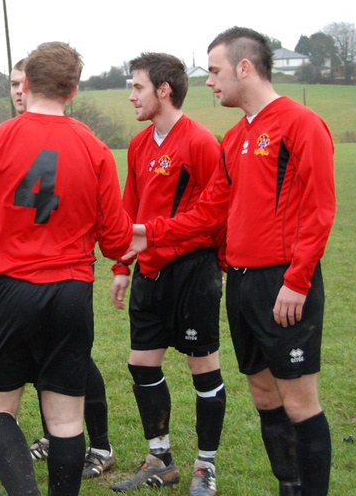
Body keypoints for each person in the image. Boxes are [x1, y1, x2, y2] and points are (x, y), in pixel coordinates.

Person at [129, 27, 335, 496]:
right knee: (264, 396)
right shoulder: (237, 136)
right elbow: (209, 212)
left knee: (300, 403)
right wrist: (148, 232)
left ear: (245, 68)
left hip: (284, 284)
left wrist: (298, 281)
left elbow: (321, 210)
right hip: (241, 285)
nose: (209, 82)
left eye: (216, 71)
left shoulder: (300, 123)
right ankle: (289, 484)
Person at [0, 42, 133, 496]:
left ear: (26, 83)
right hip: (71, 291)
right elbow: (116, 239)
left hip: (10, 287)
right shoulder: (94, 148)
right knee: (67, 417)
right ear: (73, 90)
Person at [109, 53, 225, 495]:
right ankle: (160, 459)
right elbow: (129, 209)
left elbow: (216, 214)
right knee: (141, 363)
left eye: (137, 87)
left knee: (203, 366)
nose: (131, 95)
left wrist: (221, 264)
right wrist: (122, 264)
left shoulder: (199, 141)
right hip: (149, 272)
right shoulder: (139, 145)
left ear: (164, 90)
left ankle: (205, 466)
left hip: (193, 270)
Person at [11, 58, 119, 480]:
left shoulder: (79, 143)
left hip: (60, 277)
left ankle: (101, 443)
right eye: (13, 84)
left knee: (76, 365)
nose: (18, 91)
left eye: (23, 83)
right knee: (43, 364)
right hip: (38, 281)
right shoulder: (12, 139)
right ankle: (56, 437)